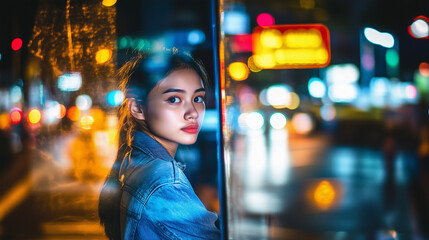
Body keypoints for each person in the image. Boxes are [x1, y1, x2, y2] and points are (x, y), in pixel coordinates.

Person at [99, 50, 220, 240]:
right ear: (137, 108)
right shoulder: (164, 182)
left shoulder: (134, 160)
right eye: (174, 99)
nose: (193, 113)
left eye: (198, 98)